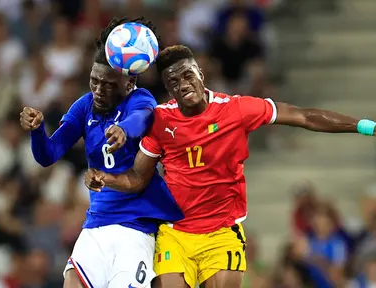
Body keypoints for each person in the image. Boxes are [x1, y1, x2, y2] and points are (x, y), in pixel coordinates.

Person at [84, 45, 376, 288]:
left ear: (201, 72)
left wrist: (364, 126)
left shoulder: (237, 110)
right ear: (168, 90)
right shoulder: (160, 120)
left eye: (187, 75)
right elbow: (138, 178)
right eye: (173, 82)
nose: (183, 84)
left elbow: (303, 116)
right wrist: (106, 178)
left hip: (222, 233)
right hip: (174, 231)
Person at [19, 18, 184, 288]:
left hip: (136, 226)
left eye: (108, 84)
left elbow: (142, 118)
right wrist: (37, 132)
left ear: (129, 82)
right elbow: (48, 155)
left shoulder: (140, 99)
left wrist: (124, 130)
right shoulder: (83, 107)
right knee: (71, 282)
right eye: (94, 81)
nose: (98, 90)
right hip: (97, 222)